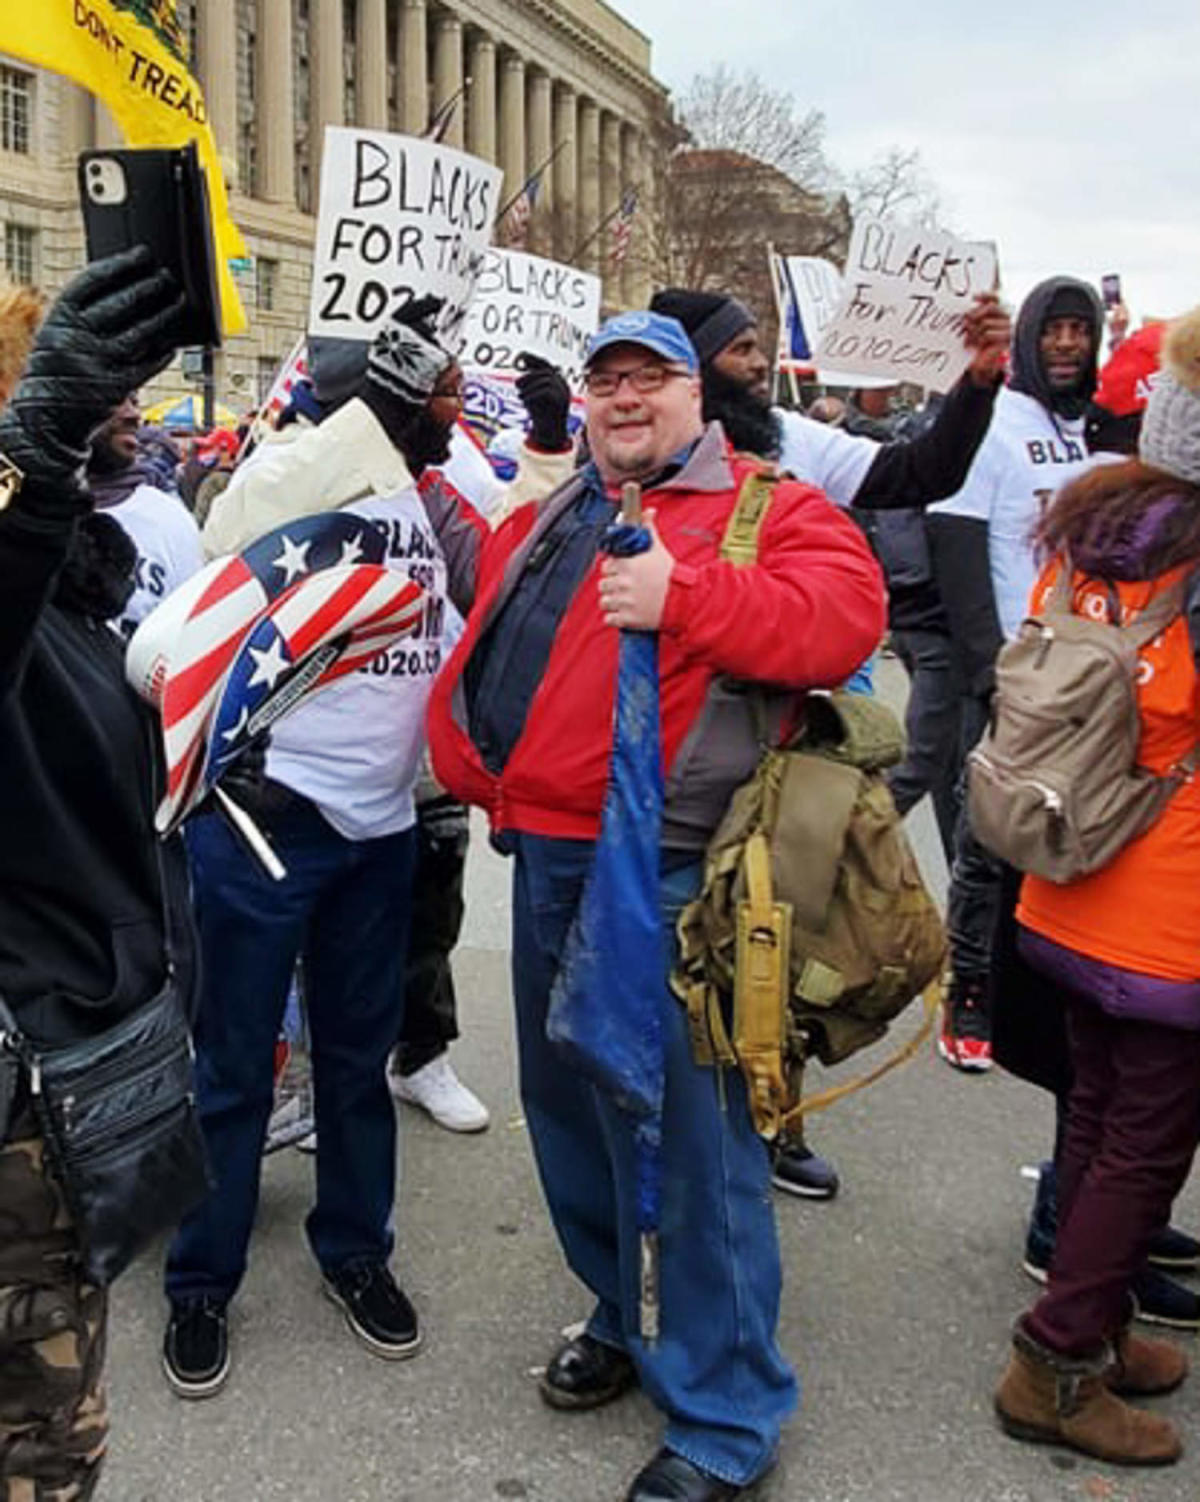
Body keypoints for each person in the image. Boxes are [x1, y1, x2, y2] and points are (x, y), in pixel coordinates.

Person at [425, 310, 886, 1501]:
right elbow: (496, 649)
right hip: (548, 861)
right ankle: (620, 1316)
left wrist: (690, 598)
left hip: (677, 883)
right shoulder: (557, 511)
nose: (626, 398)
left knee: (695, 1149)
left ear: (698, 396)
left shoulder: (772, 508)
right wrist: (481, 771)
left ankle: (728, 1412)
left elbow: (845, 623)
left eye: (653, 378)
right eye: (607, 380)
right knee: (569, 1113)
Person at [646, 285, 1011, 1196]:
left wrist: (974, 387)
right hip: (679, 731)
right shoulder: (634, 447)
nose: (755, 361)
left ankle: (773, 1111)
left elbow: (916, 474)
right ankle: (665, 1128)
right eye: (736, 351)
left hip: (799, 724)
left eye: (755, 347)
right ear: (692, 366)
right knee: (680, 935)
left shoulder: (792, 441)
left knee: (784, 920)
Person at [161, 300, 462, 1398]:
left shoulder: (438, 494)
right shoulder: (295, 472)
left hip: (379, 834)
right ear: (373, 399)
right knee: (234, 1067)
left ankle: (356, 1251)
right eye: (431, 394)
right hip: (268, 823)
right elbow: (221, 534)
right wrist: (373, 407)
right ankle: (201, 1276)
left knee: (354, 1064)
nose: (447, 411)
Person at [992, 306, 1200, 1466]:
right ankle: (1056, 1362)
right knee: (1147, 1142)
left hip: (1068, 878)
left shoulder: (1094, 530)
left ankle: (1102, 1321)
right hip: (1172, 907)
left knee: (1095, 1114)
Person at [0, 249, 190, 1498]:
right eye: (85, 404)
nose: (123, 425)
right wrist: (27, 466)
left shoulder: (72, 581)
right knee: (41, 1440)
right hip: (21, 1086)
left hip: (84, 1037)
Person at [927, 277, 1105, 1072]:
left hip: (1086, 676)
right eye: (1055, 329)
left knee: (1063, 832)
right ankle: (968, 987)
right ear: (1031, 336)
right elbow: (955, 539)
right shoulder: (997, 423)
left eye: (1081, 330)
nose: (1067, 344)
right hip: (1008, 665)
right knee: (987, 839)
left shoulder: (1099, 432)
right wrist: (983, 665)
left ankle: (1035, 986)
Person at [86, 390, 204, 636]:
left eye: (135, 400)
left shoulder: (170, 519)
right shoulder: (20, 517)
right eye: (116, 396)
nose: (133, 414)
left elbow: (193, 639)